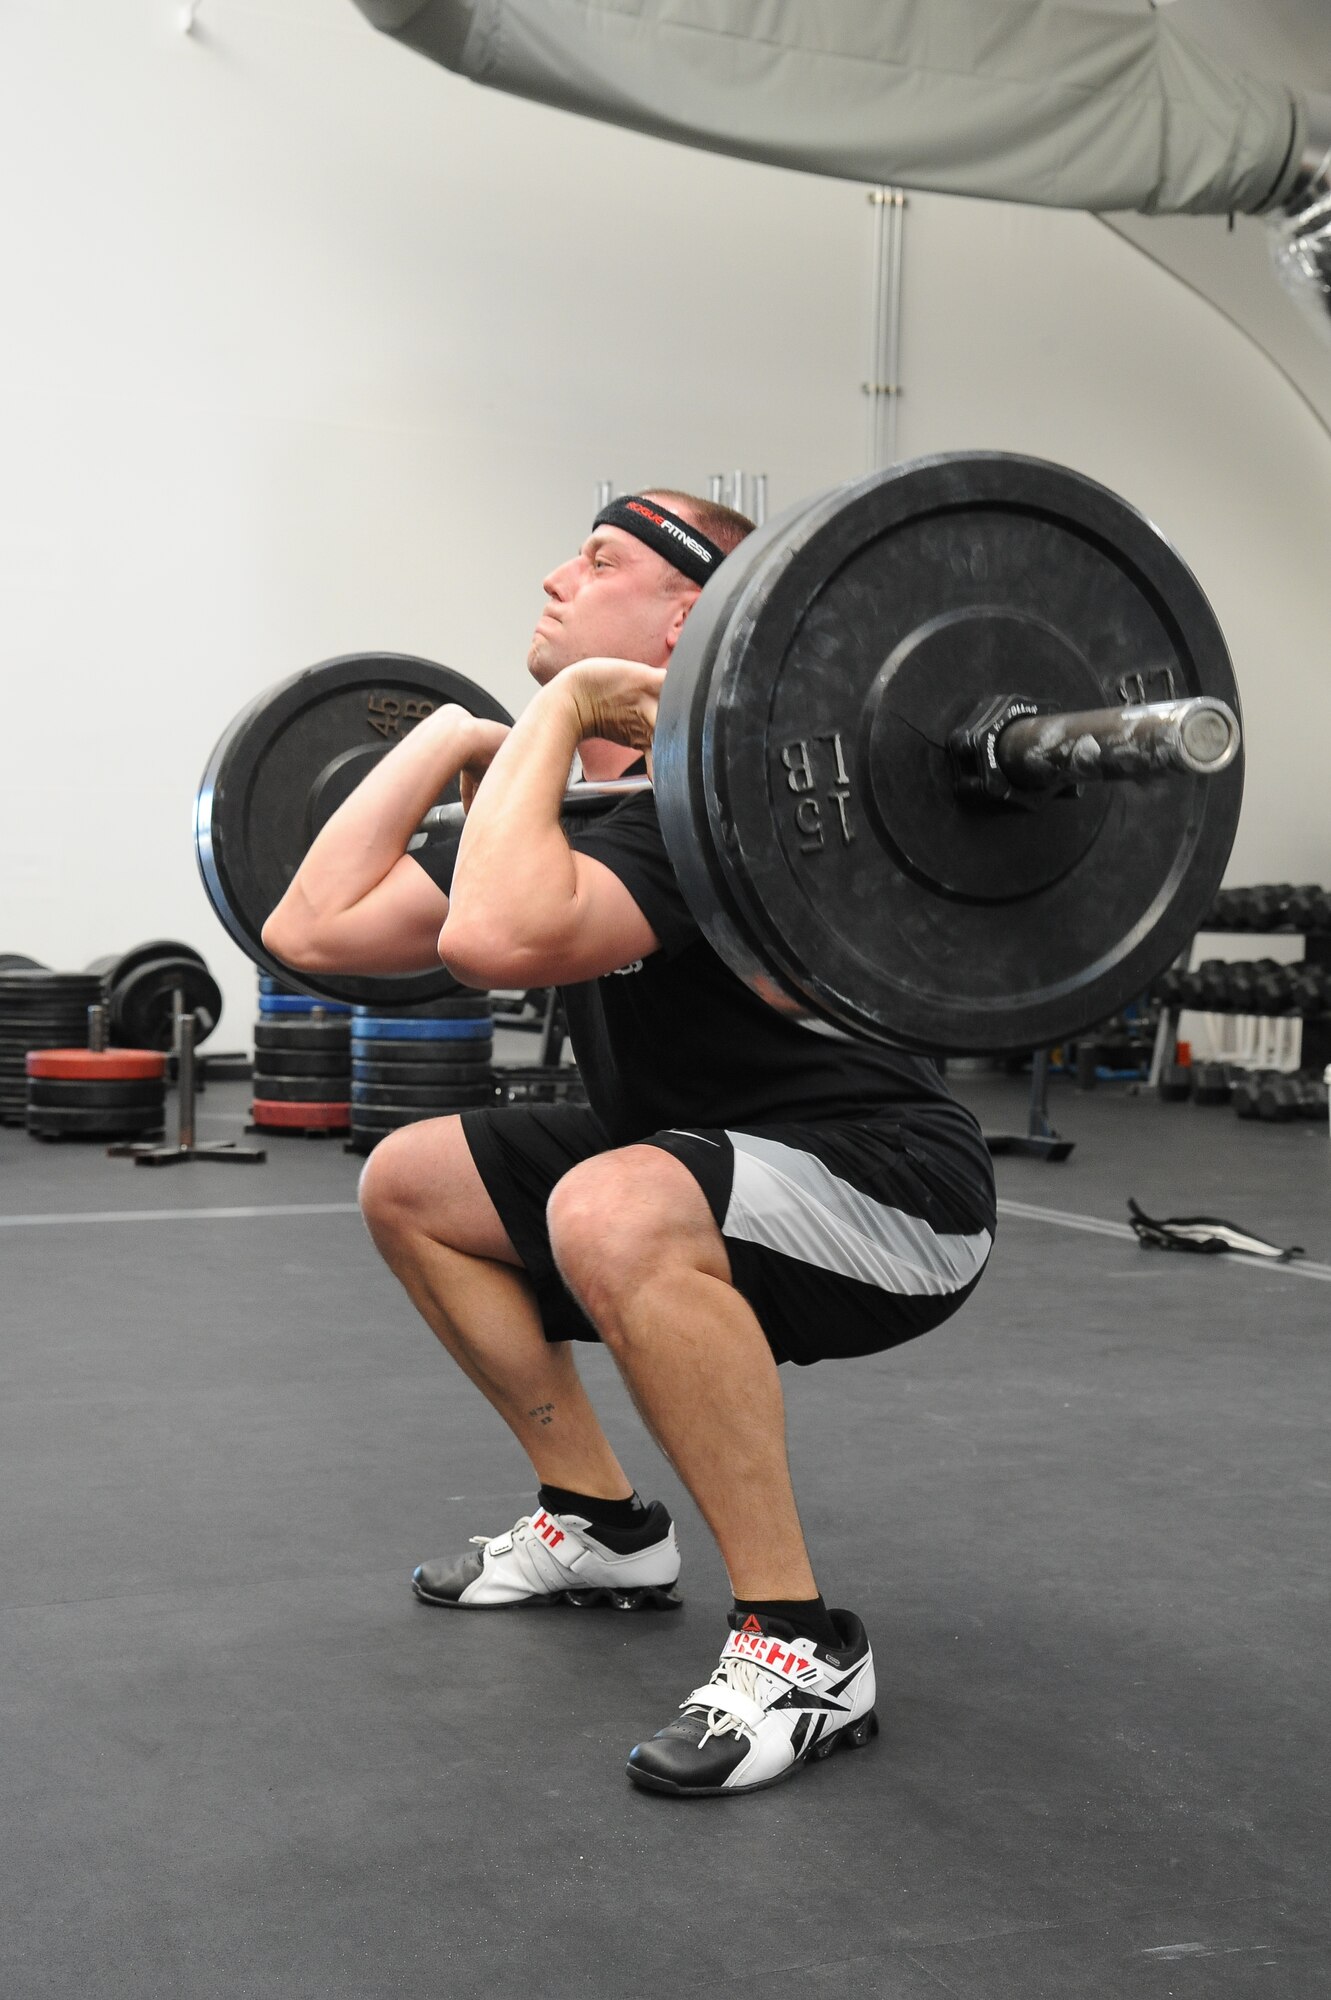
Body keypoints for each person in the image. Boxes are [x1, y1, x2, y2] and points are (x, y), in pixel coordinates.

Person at [262, 490, 997, 1798]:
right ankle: (600, 1525)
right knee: (414, 1181)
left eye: (598, 560)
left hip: (894, 1191)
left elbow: (494, 941)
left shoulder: (710, 808)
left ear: (691, 617)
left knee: (610, 1201)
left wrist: (554, 715)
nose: (553, 574)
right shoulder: (572, 821)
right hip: (695, 1152)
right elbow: (313, 932)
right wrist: (443, 736)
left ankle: (800, 1649)